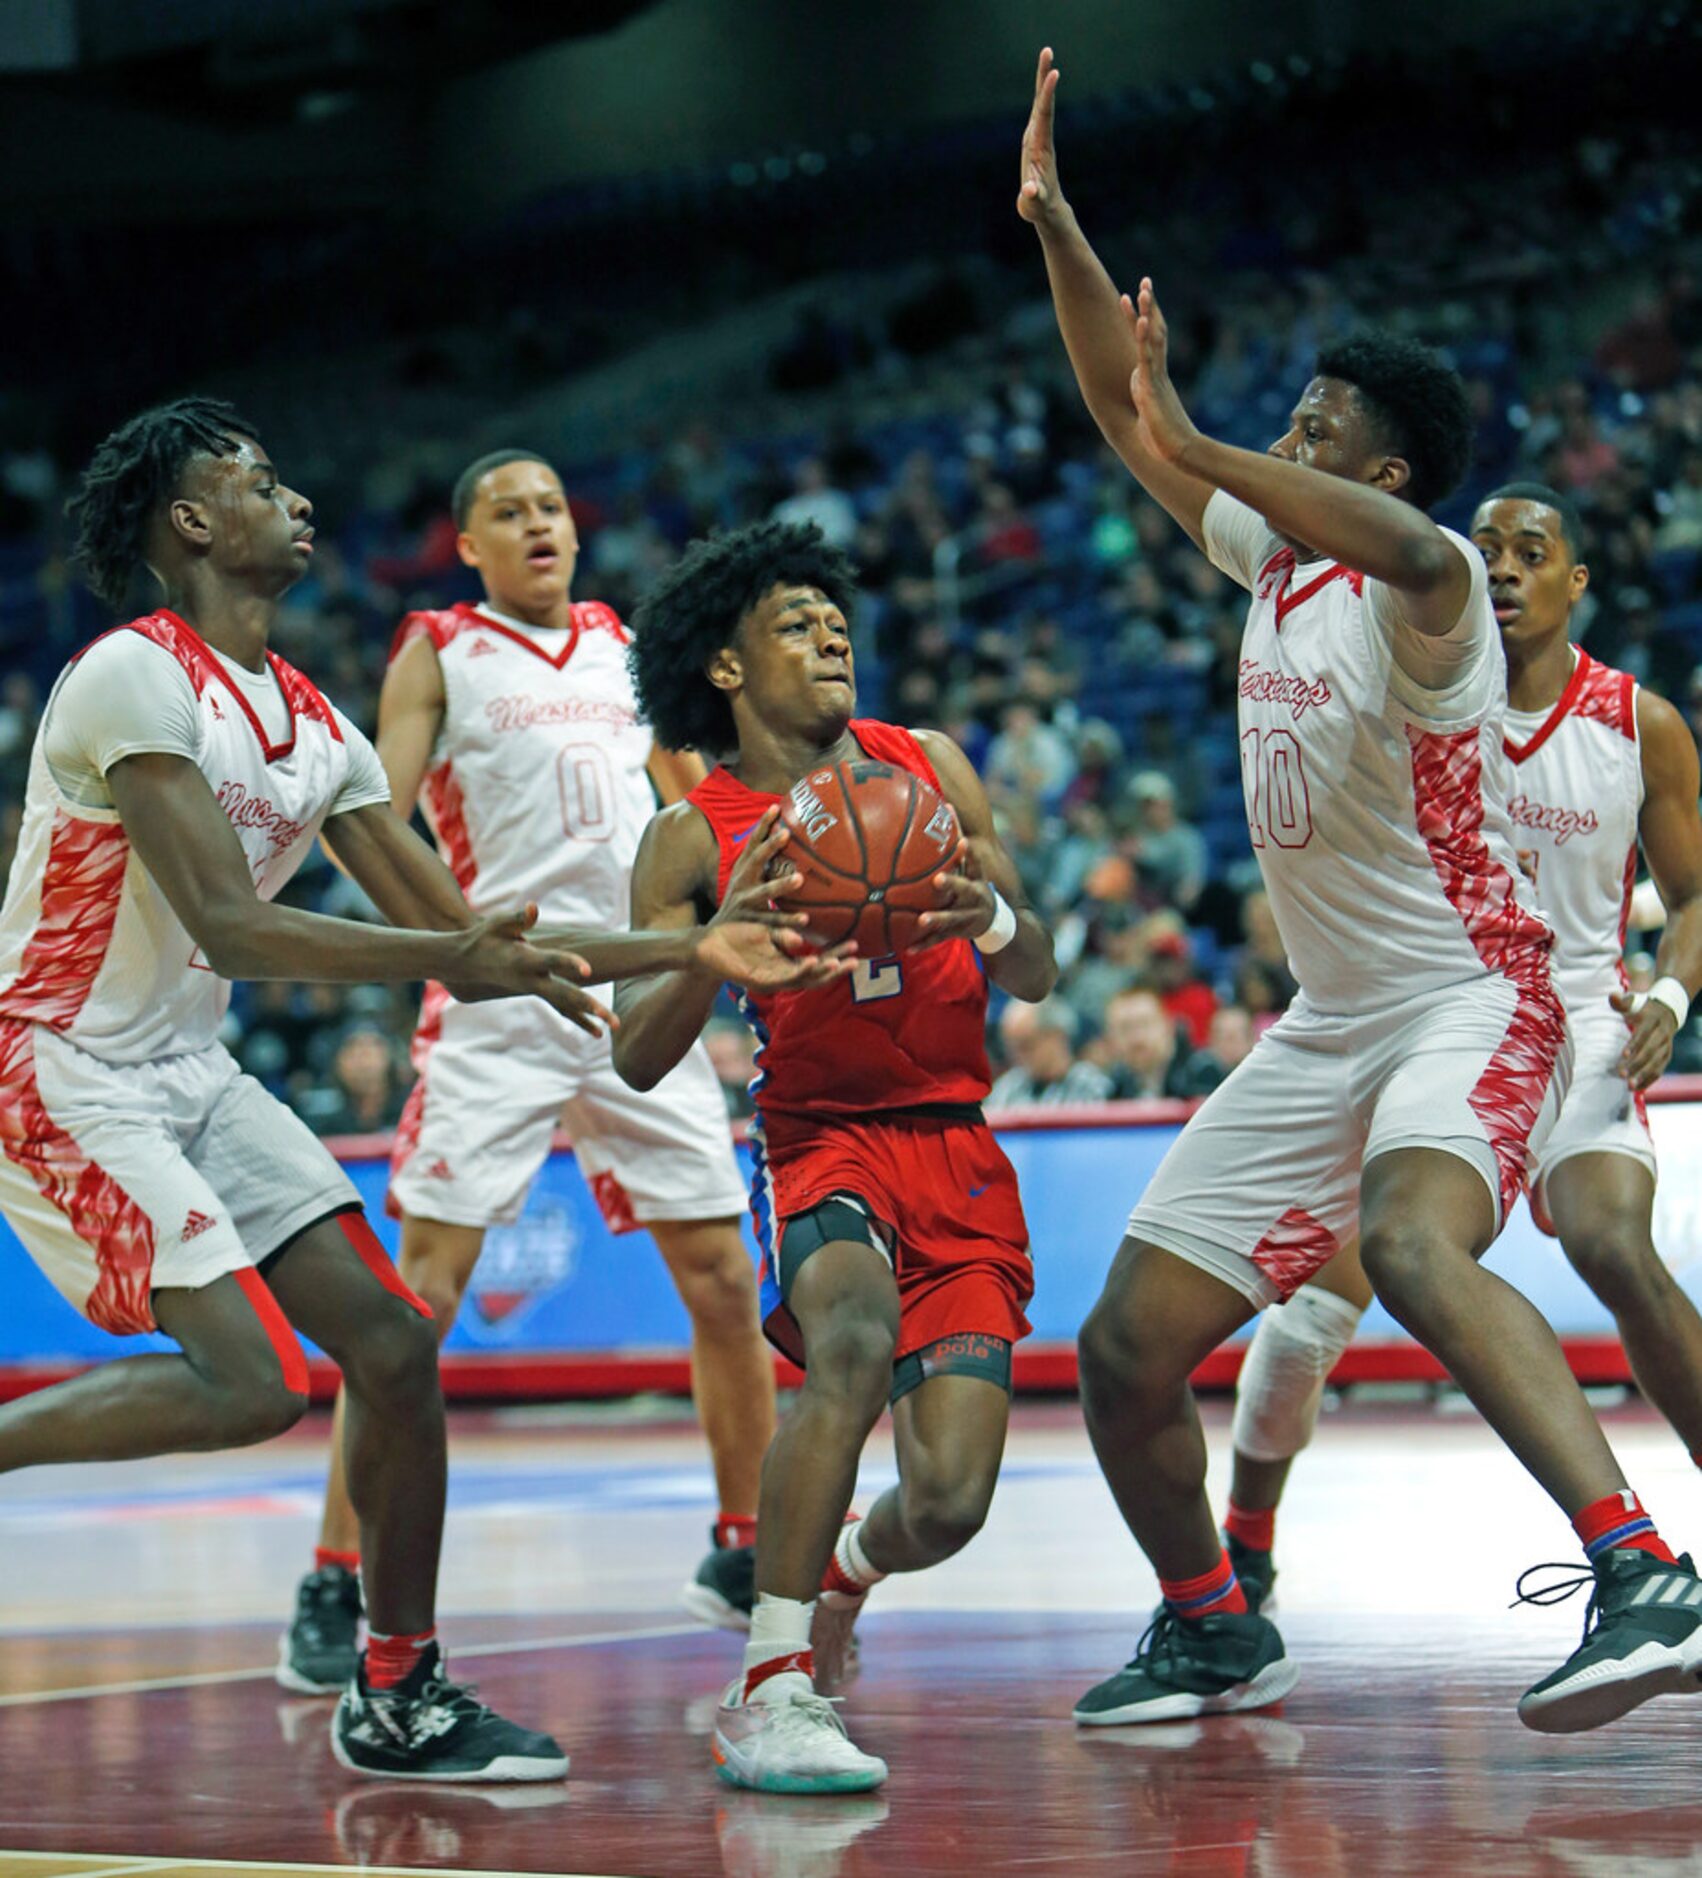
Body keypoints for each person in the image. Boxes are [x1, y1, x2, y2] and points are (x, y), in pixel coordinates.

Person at [0, 399, 836, 1783]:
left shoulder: (311, 721)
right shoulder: (129, 679)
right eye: (259, 479)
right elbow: (234, 926)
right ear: (194, 522)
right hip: (61, 1059)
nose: (295, 497)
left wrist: (685, 942)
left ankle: (396, 1689)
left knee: (392, 1346)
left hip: (188, 1066)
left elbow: (469, 935)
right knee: (253, 1382)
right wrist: (463, 949)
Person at [1021, 47, 1702, 1735]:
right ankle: (1208, 1618)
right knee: (1119, 1348)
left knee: (1409, 1238)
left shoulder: (1436, 575)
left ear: (1383, 468)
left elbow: (1363, 527)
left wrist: (1196, 434)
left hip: (1480, 992)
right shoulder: (1271, 554)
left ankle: (1636, 1565)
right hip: (1329, 1021)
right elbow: (1126, 410)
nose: (1286, 434)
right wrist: (1056, 227)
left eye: (1319, 425)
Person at [284, 450, 782, 1692]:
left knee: (724, 1275)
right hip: (499, 998)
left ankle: (742, 1545)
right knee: (421, 1302)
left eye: (551, 506)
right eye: (508, 512)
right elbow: (374, 813)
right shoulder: (437, 648)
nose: (537, 524)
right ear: (469, 545)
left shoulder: (622, 642)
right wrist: (451, 941)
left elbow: (692, 801)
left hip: (636, 984)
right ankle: (335, 1573)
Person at [613, 519, 1057, 1792]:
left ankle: (846, 1575)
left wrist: (998, 913)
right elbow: (639, 1059)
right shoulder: (692, 837)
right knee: (849, 1339)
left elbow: (1036, 971)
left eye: (835, 619)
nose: (830, 636)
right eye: (794, 623)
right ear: (726, 668)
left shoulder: (929, 765)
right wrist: (708, 951)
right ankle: (768, 1686)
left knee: (948, 1504)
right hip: (821, 1146)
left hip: (959, 1151)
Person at [1224, 484, 1702, 1613]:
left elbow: (1693, 895)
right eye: (1482, 546)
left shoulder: (1639, 723)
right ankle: (1244, 1544)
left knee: (1612, 1246)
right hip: (1433, 1012)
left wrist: (1672, 995)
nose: (1501, 567)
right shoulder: (1416, 687)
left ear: (1575, 582)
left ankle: (1638, 1552)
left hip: (1580, 1022)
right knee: (1313, 1311)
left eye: (1531, 550)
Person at [988, 995, 1114, 1106]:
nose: (1018, 1056)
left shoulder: (1093, 1087)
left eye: (1026, 1045)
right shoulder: (1006, 1089)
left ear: (1057, 1036)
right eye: (1012, 1048)